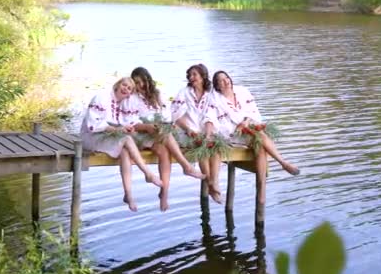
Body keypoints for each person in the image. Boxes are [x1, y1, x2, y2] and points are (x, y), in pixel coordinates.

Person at [203, 70, 300, 203]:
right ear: (217, 85)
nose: (226, 81)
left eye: (227, 78)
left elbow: (253, 111)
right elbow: (210, 118)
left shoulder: (242, 92)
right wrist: (208, 135)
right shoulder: (215, 99)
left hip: (246, 129)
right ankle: (282, 163)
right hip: (230, 133)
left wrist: (246, 122)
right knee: (259, 138)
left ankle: (262, 191)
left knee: (260, 145)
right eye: (221, 80)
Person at [121, 67, 205, 212]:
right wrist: (147, 127)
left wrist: (166, 125)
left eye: (141, 82)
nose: (139, 85)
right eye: (136, 83)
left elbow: (166, 114)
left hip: (156, 133)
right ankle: (187, 166)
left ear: (147, 79)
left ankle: (164, 192)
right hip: (138, 133)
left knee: (164, 152)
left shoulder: (157, 94)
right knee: (165, 135)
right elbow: (129, 122)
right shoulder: (131, 98)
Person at [80, 77, 163, 212]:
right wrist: (118, 130)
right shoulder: (102, 97)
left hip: (106, 136)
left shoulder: (121, 103)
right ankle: (148, 173)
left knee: (125, 150)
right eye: (124, 85)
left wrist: (127, 128)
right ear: (117, 85)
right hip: (90, 137)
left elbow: (120, 123)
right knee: (127, 140)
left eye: (129, 88)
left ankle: (128, 194)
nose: (126, 89)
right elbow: (93, 125)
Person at [171, 64, 223, 203]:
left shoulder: (211, 93)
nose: (191, 77)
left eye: (194, 74)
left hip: (208, 129)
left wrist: (207, 134)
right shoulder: (184, 92)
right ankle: (209, 183)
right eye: (189, 75)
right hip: (187, 131)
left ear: (202, 76)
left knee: (215, 146)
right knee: (201, 147)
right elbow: (176, 115)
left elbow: (211, 115)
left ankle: (214, 182)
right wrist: (188, 130)